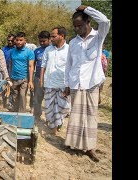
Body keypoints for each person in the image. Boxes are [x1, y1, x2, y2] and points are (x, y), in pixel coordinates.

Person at [63, 5, 110, 162]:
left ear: (88, 22)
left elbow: (104, 20)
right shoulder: (73, 43)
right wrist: (67, 85)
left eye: (80, 25)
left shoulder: (98, 37)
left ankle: (90, 148)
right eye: (75, 26)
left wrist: (87, 8)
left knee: (90, 117)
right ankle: (73, 143)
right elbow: (69, 65)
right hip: (76, 84)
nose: (77, 29)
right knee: (75, 116)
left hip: (91, 84)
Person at [40, 27, 70, 134]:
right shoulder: (48, 49)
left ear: (62, 36)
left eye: (54, 36)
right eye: (51, 36)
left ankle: (55, 126)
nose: (51, 38)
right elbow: (43, 65)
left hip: (63, 84)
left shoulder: (69, 49)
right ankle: (53, 125)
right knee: (49, 107)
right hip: (49, 83)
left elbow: (72, 67)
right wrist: (41, 81)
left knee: (61, 107)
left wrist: (69, 85)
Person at [9, 32, 35, 112]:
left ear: (25, 41)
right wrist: (9, 79)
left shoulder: (29, 52)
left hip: (24, 79)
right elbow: (10, 64)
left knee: (22, 96)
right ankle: (15, 114)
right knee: (15, 97)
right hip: (14, 79)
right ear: (15, 41)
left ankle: (22, 116)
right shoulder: (12, 51)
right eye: (17, 40)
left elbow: (31, 66)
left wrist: (30, 81)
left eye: (21, 40)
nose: (19, 42)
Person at [31, 30, 50, 120]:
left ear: (49, 39)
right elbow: (33, 65)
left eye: (44, 41)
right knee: (37, 99)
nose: (42, 43)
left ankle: (49, 118)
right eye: (40, 41)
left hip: (50, 79)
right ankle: (37, 115)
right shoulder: (36, 51)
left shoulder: (52, 49)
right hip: (38, 77)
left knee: (49, 100)